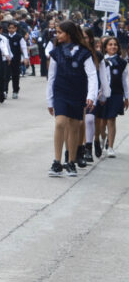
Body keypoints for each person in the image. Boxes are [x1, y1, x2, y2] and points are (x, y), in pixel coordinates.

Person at [46, 20, 98, 177]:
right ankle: (57, 162)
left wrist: (91, 96)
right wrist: (49, 100)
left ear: (68, 34)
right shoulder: (56, 52)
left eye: (60, 32)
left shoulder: (84, 53)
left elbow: (92, 75)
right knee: (60, 123)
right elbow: (51, 77)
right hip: (61, 92)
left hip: (77, 93)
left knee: (75, 127)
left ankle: (71, 162)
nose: (57, 35)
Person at [95, 36, 126, 157]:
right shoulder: (101, 60)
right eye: (110, 44)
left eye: (115, 45)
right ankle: (103, 137)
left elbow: (124, 81)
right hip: (102, 94)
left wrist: (126, 96)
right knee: (102, 121)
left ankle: (111, 147)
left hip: (116, 94)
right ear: (105, 47)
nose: (113, 47)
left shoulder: (122, 62)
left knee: (112, 119)